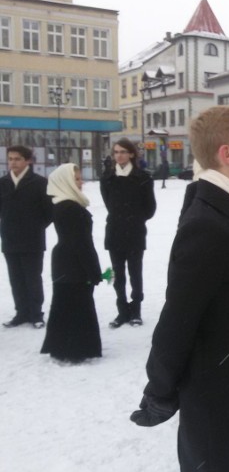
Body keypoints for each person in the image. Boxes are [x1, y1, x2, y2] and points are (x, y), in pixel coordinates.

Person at [130, 105, 229, 472]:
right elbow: (179, 316)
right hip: (222, 390)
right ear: (227, 154)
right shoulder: (209, 224)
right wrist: (160, 389)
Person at [40, 163, 103, 362]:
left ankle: (63, 345)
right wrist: (93, 270)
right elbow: (81, 243)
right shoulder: (71, 207)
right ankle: (74, 348)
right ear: (65, 181)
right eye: (76, 179)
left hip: (65, 260)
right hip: (73, 261)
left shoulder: (64, 204)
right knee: (76, 303)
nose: (81, 182)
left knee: (66, 303)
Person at [100, 138, 157, 328]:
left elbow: (150, 208)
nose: (119, 155)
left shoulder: (143, 178)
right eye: (116, 152)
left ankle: (136, 310)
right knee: (116, 274)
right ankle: (122, 310)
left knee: (135, 272)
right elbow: (109, 203)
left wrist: (134, 218)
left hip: (134, 231)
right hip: (114, 231)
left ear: (131, 154)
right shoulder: (107, 177)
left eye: (123, 152)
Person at [1, 145, 53, 328]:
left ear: (27, 161)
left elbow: (49, 212)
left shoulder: (39, 182)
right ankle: (21, 312)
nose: (13, 162)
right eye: (10, 159)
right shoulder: (3, 183)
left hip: (32, 239)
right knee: (16, 278)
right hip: (9, 238)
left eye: (17, 159)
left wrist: (36, 227)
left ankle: (36, 313)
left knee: (32, 277)